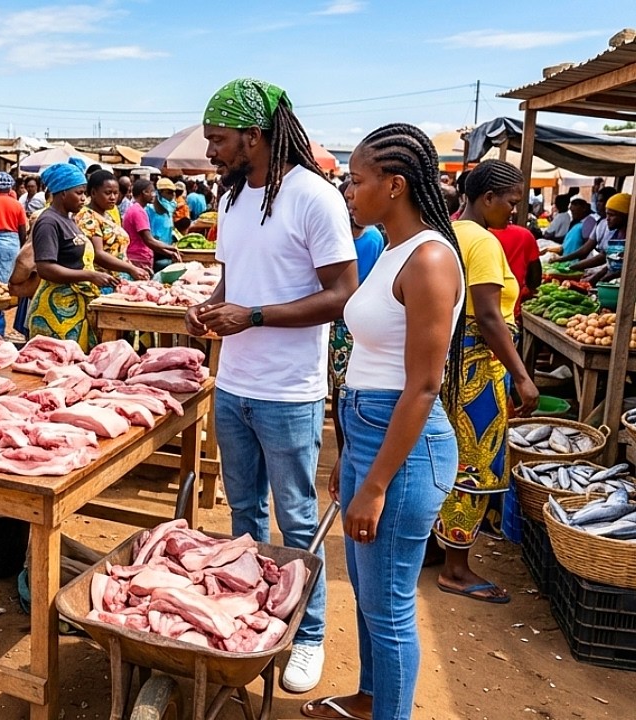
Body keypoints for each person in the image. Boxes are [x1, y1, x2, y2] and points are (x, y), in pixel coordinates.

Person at [185, 78, 357, 693]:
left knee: (296, 517)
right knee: (244, 513)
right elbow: (235, 283)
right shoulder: (232, 200)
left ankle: (307, 634)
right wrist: (209, 306)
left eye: (219, 140)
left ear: (255, 136)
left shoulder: (315, 197)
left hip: (290, 390)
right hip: (233, 384)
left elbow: (341, 295)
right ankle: (249, 616)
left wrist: (252, 317)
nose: (211, 151)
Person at [301, 124, 465, 720]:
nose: (347, 187)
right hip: (371, 432)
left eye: (358, 178)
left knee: (391, 608)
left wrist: (374, 483)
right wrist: (351, 454)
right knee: (372, 598)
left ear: (395, 185)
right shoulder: (391, 246)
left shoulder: (427, 260)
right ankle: (371, 699)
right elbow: (376, 362)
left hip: (403, 447)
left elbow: (423, 386)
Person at [434, 159, 538, 603]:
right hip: (477, 371)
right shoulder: (483, 242)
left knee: (443, 458)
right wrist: (522, 375)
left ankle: (436, 550)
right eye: (512, 202)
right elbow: (491, 316)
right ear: (488, 198)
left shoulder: (447, 230)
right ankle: (456, 569)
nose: (515, 211)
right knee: (474, 465)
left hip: (447, 366)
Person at [27, 160, 119, 350]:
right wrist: (90, 275)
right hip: (55, 311)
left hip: (72, 307)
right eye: (79, 193)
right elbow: (45, 268)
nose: (84, 199)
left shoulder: (68, 219)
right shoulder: (48, 222)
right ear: (62, 193)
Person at [329, 180, 385, 397]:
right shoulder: (337, 234)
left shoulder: (373, 237)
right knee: (341, 385)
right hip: (335, 316)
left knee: (345, 386)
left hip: (351, 320)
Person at [76, 170, 150, 283]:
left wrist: (135, 267)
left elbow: (116, 252)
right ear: (93, 193)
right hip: (103, 281)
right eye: (108, 193)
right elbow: (98, 254)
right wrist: (131, 268)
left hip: (118, 277)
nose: (112, 197)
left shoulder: (108, 214)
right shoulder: (88, 217)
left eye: (116, 193)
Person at [122, 179, 181, 276]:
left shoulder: (136, 209)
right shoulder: (138, 211)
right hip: (138, 259)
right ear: (144, 192)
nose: (154, 194)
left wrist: (169, 253)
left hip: (139, 257)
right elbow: (149, 240)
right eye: (152, 191)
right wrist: (172, 249)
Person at [488, 220, 541, 319]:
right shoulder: (525, 235)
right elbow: (535, 279)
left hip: (476, 314)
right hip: (511, 313)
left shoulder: (474, 235)